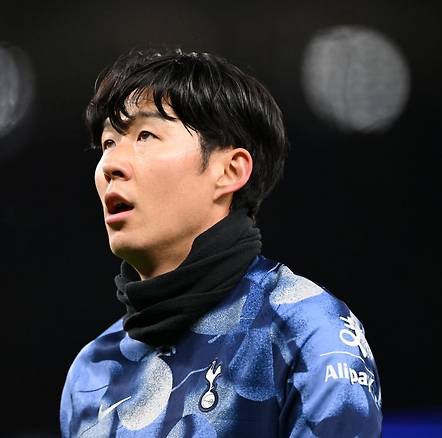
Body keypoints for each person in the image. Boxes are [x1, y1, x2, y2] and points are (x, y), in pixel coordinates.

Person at [60, 48, 382, 437]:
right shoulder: (91, 373)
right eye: (109, 142)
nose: (110, 165)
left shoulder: (306, 327)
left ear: (229, 171)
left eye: (146, 135)